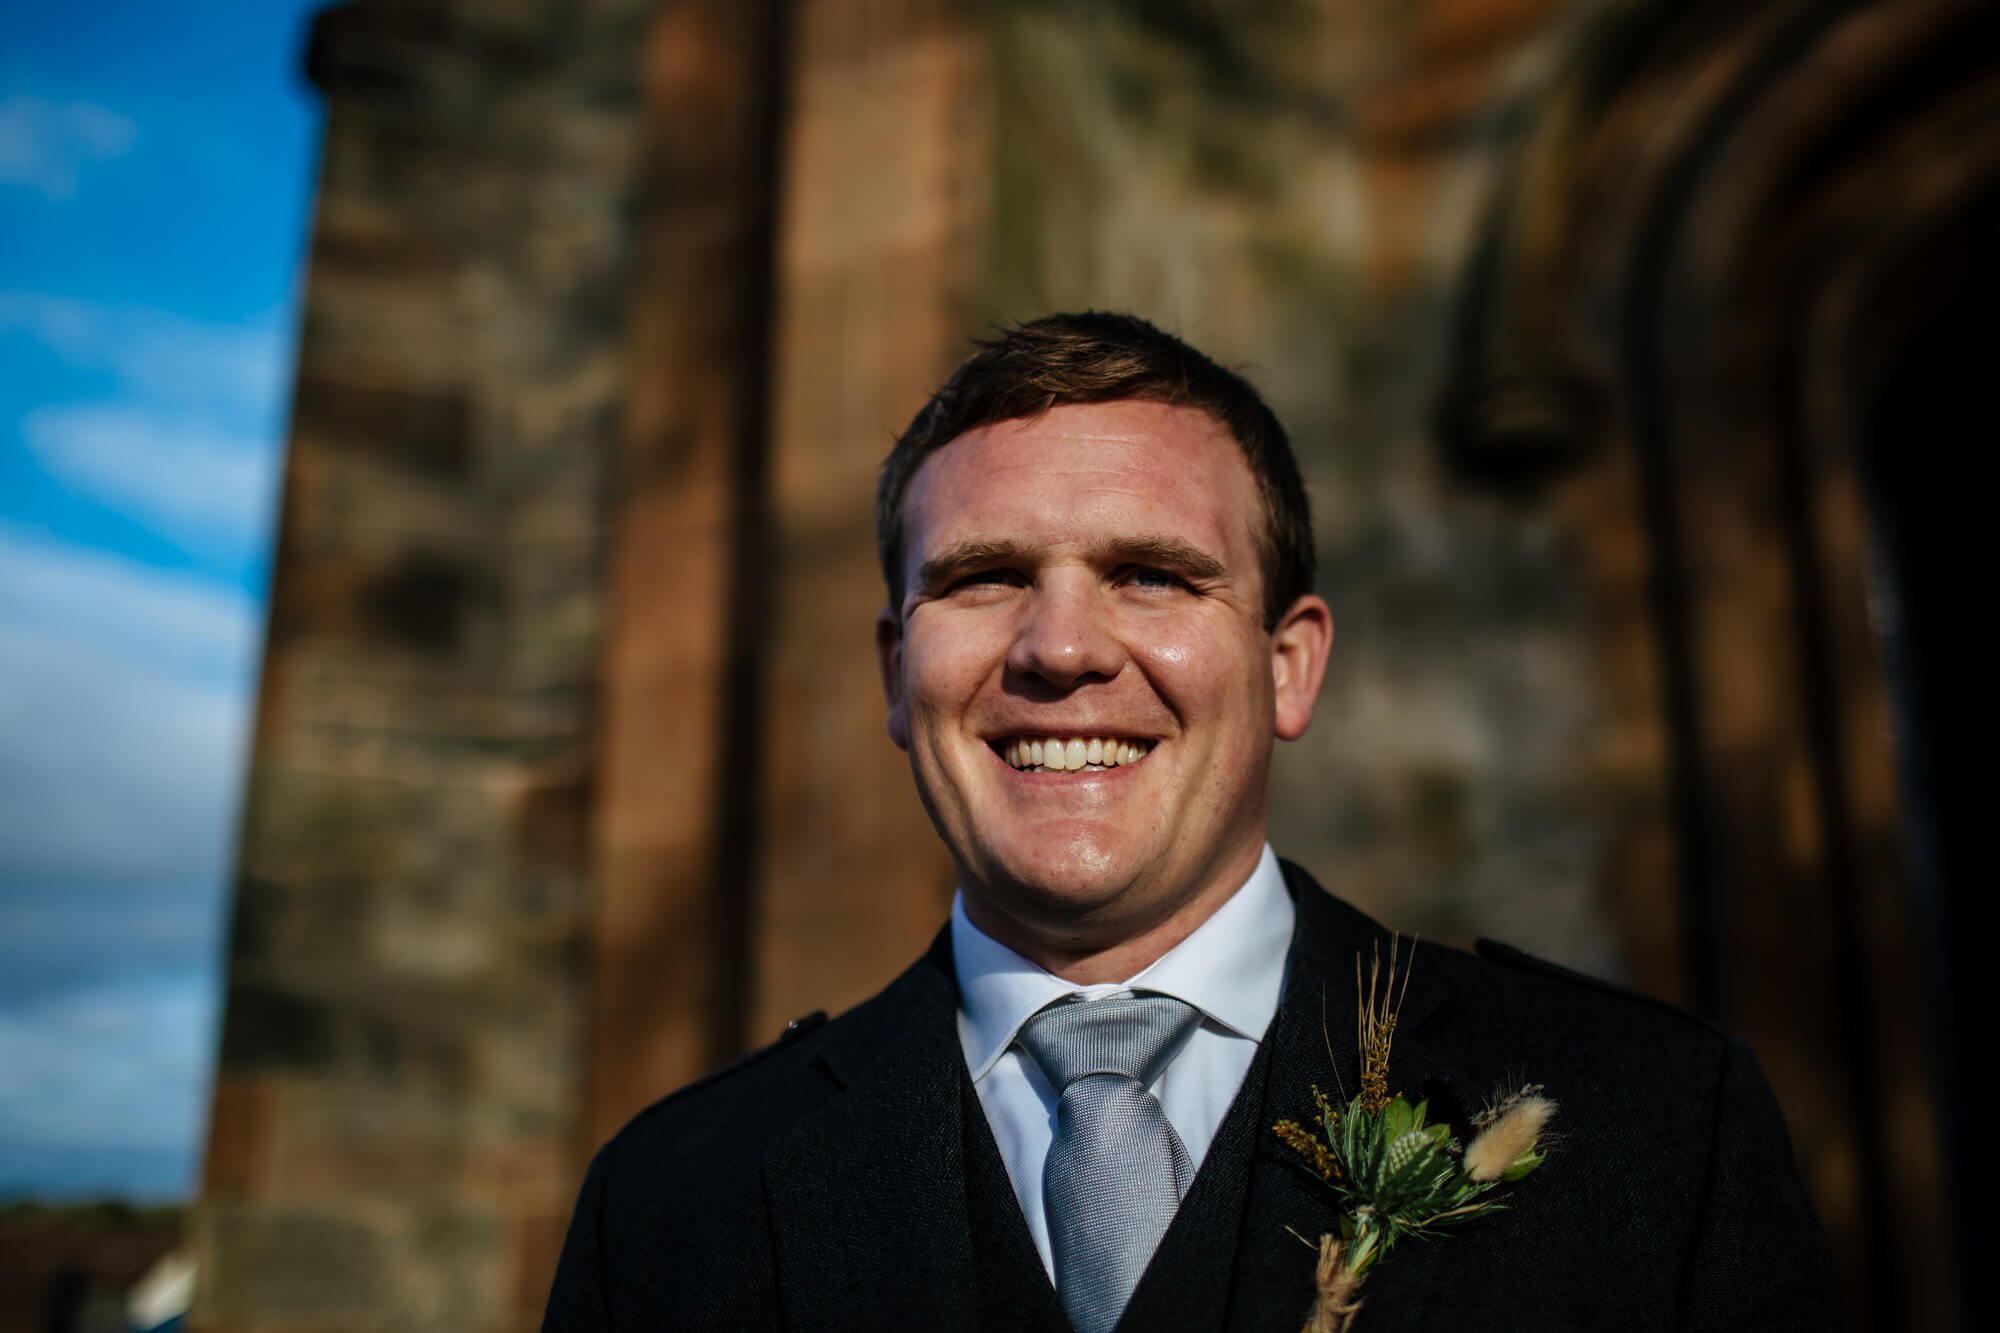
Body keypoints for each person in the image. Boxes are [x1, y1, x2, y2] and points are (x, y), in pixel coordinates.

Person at [543, 312, 1838, 1330]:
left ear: (1289, 666)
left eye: (1151, 575)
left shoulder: (1658, 1125)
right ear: (895, 670)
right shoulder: (673, 1200)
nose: (1058, 647)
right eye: (986, 579)